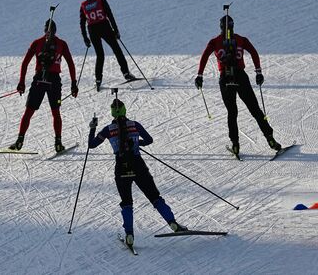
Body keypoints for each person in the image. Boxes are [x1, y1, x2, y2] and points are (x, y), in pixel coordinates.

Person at [88, 99, 187, 247]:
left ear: (112, 113)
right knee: (154, 196)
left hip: (121, 167)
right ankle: (172, 223)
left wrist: (92, 128)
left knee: (126, 202)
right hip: (138, 165)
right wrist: (137, 143)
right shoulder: (134, 125)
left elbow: (91, 145)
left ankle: (129, 235)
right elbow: (149, 140)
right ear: (124, 110)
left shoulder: (108, 130)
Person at [195, 15, 281, 156]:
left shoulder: (214, 42)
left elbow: (204, 56)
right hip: (241, 77)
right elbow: (253, 52)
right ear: (233, 26)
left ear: (221, 27)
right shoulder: (241, 39)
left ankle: (235, 145)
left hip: (225, 78)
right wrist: (258, 71)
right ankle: (270, 139)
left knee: (232, 113)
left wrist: (200, 75)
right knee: (255, 109)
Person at [9, 19, 78, 152]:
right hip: (54, 81)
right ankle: (58, 143)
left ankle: (19, 141)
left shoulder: (37, 43)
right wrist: (73, 83)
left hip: (39, 79)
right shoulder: (61, 44)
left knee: (29, 111)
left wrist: (22, 82)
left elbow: (25, 63)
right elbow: (70, 63)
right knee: (55, 112)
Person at [80, 0, 136, 91]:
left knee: (100, 55)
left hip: (92, 30)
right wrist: (116, 30)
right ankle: (126, 73)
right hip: (104, 27)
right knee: (117, 49)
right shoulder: (101, 0)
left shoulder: (83, 5)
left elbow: (82, 23)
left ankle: (98, 80)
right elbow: (110, 14)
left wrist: (85, 38)